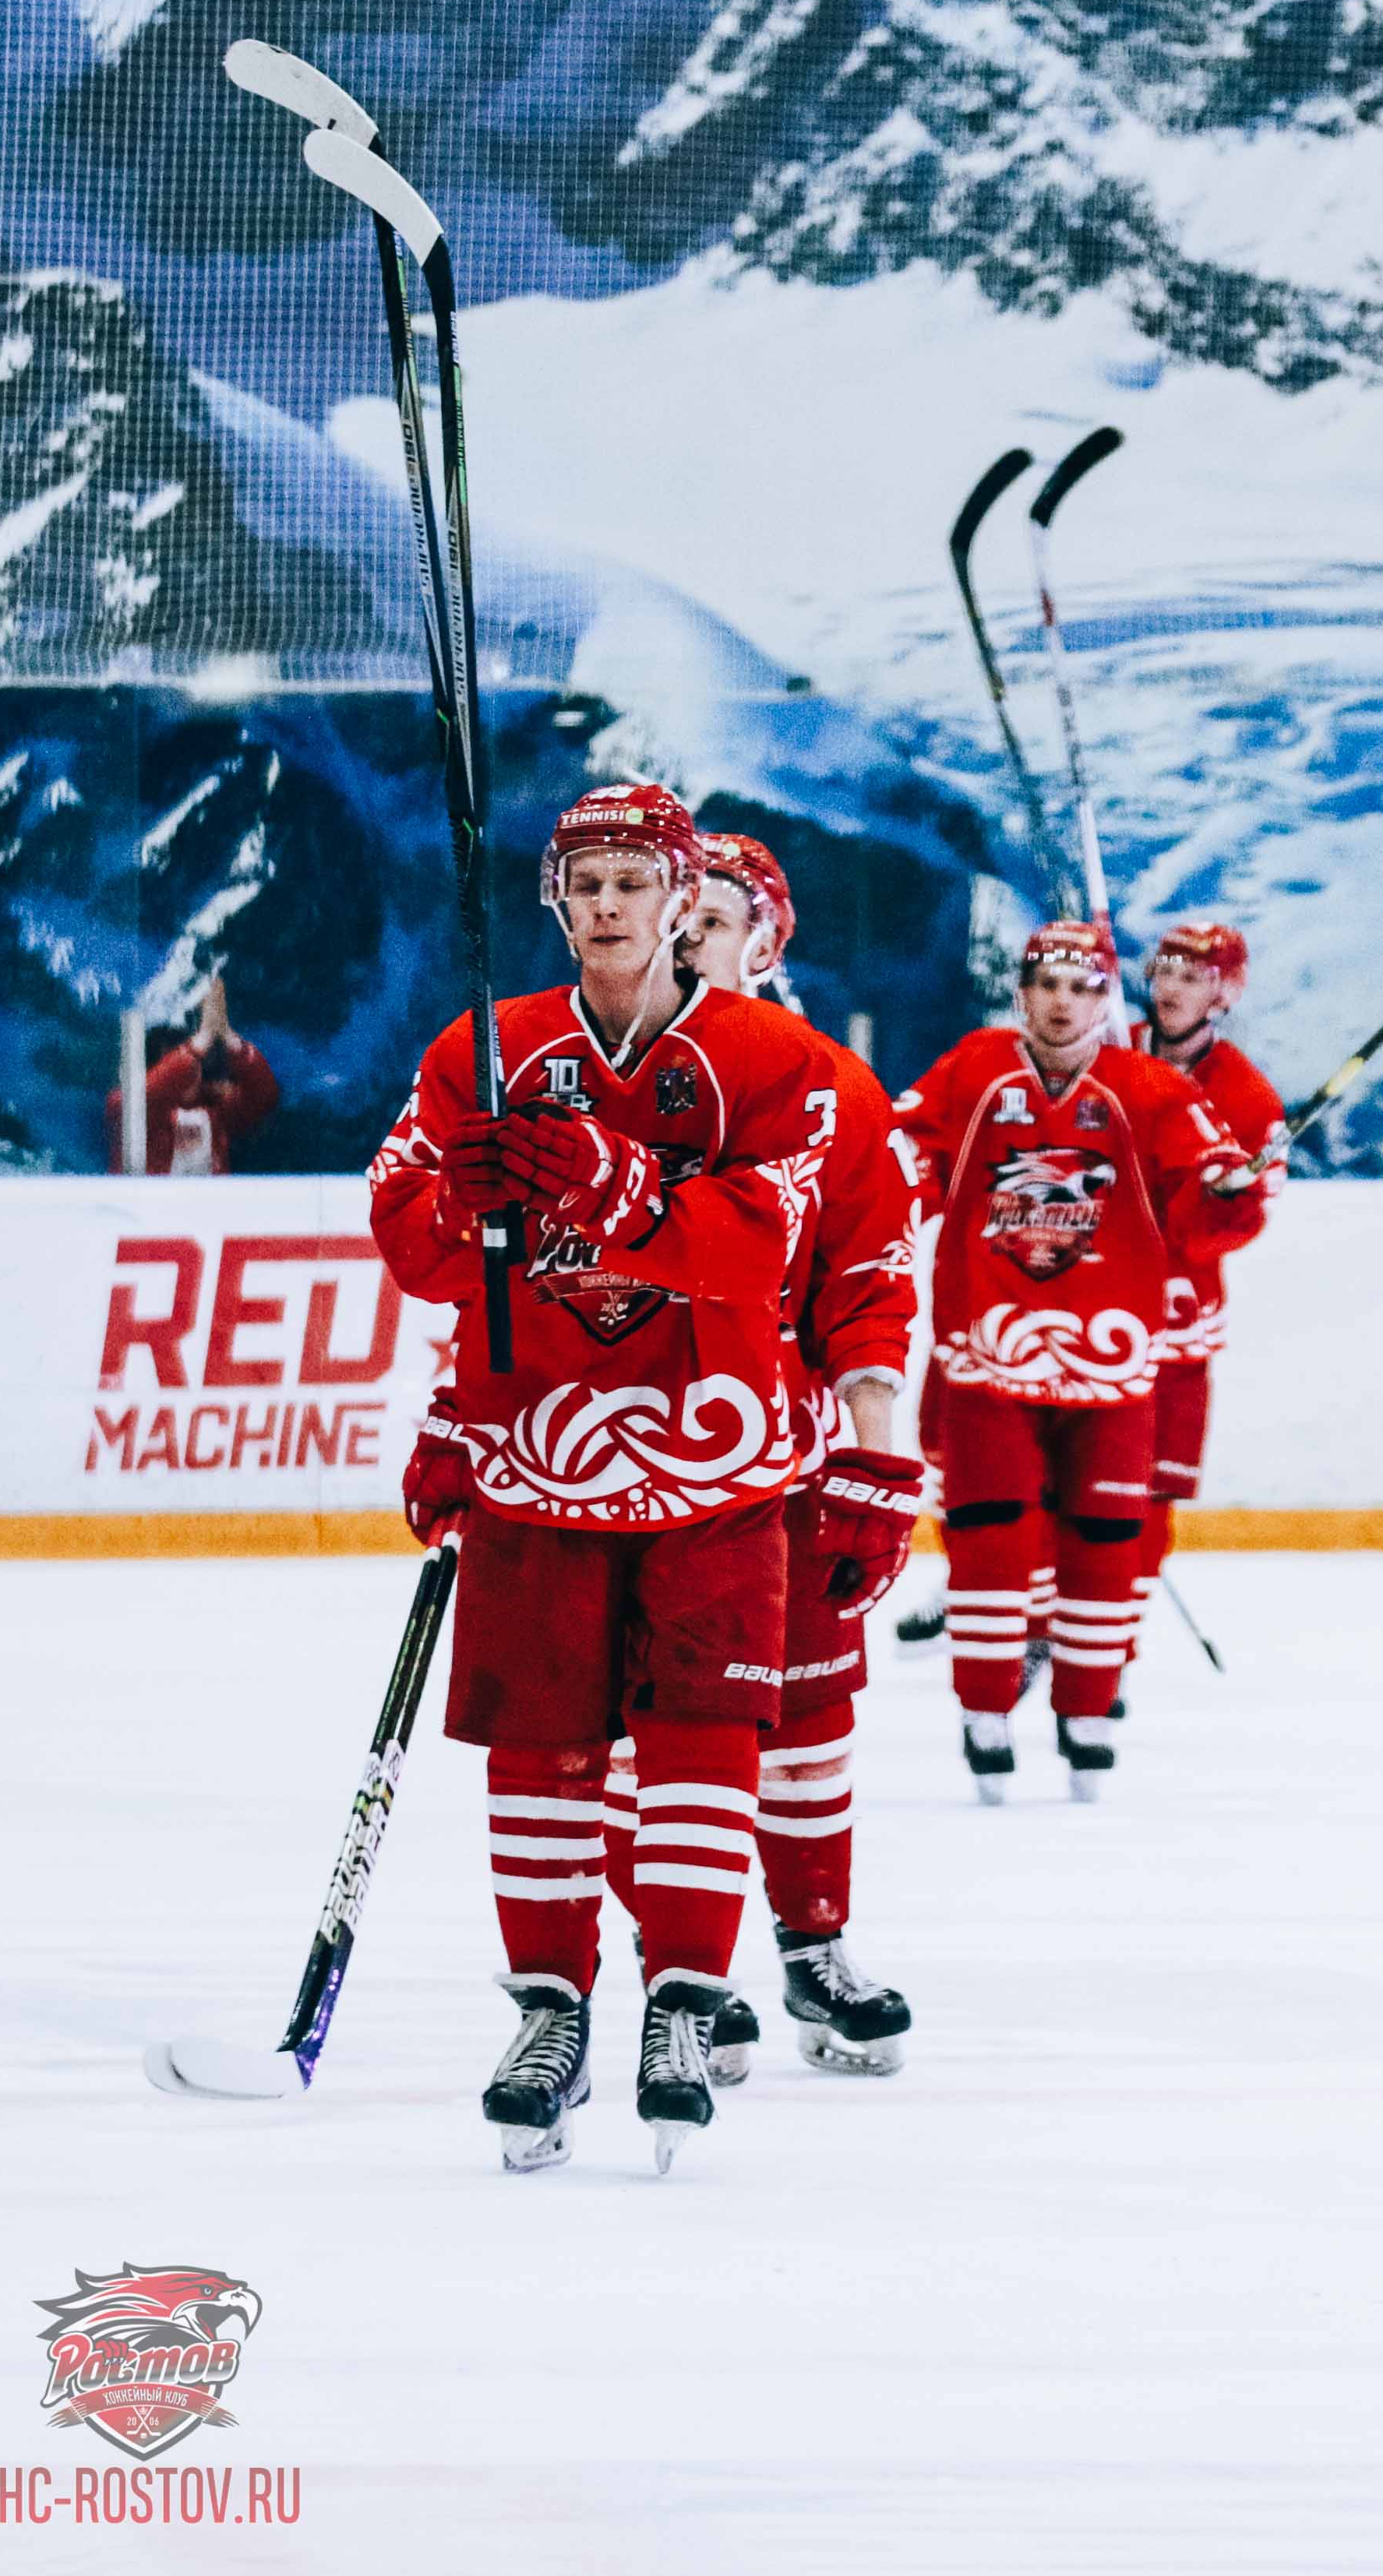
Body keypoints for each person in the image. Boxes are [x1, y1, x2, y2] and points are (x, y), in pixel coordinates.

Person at [369, 782, 848, 2173]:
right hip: (541, 1447)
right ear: (551, 896)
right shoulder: (486, 1046)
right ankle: (548, 2008)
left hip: (720, 1450)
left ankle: (683, 2002)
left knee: (704, 1725)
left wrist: (615, 1184)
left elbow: (766, 1243)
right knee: (541, 1740)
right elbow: (411, 1242)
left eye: (634, 881)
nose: (606, 905)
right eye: (582, 880)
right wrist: (463, 1201)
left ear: (681, 892)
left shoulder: (772, 1054)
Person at [585, 833, 927, 2074]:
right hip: (615, 1457)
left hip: (771, 1459)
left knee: (810, 1714)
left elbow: (871, 1283)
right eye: (679, 906)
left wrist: (876, 1458)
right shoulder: (583, 1070)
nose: (685, 929)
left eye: (716, 912)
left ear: (766, 939)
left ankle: (810, 1948)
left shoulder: (823, 1081)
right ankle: (686, 1971)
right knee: (639, 1729)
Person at [895, 925, 1267, 1802]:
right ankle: (984, 1704)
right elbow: (903, 1161)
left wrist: (1232, 1188)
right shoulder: (973, 1069)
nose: (1062, 999)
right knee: (989, 1540)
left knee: (1109, 1541)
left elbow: (1210, 1204)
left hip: (1114, 1366)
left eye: (1082, 984)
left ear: (1108, 1000)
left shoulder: (1150, 1086)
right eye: (1045, 981)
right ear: (1021, 992)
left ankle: (1089, 1706)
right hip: (992, 1354)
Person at [1135, 921, 1288, 1637]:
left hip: (1174, 1318)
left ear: (1222, 994)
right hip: (1074, 1298)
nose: (1171, 987)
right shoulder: (1106, 1046)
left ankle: (1107, 1636)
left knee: (1144, 1494)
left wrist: (1223, 1199)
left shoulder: (1247, 1097)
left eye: (1192, 976)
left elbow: (1235, 1227)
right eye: (1166, 969)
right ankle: (1014, 1600)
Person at [106, 978, 280, 1175]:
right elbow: (143, 1097)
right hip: (147, 1204)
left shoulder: (219, 1109)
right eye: (174, 1053)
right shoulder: (123, 1105)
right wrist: (202, 1040)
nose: (191, 1066)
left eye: (185, 1047)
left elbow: (265, 1096)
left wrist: (227, 1036)